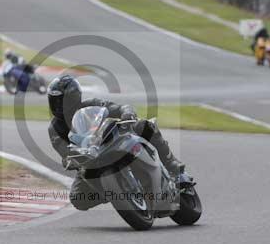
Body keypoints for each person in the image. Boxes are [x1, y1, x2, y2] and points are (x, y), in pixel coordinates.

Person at [47, 75, 185, 210]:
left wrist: (127, 113)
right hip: (88, 159)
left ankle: (171, 163)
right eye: (54, 101)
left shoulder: (91, 104)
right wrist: (70, 159)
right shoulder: (55, 128)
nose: (58, 105)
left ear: (73, 97)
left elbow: (118, 108)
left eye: (61, 101)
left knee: (144, 125)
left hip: (112, 140)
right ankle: (114, 193)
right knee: (78, 198)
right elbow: (64, 151)